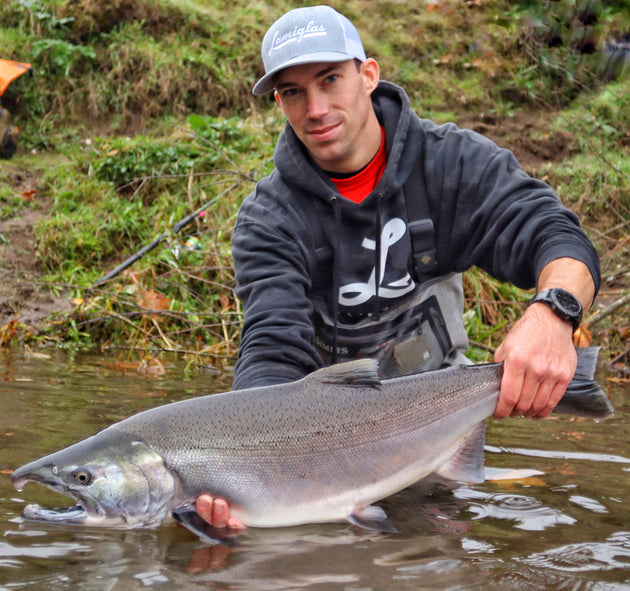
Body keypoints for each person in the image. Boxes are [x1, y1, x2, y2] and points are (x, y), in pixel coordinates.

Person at [196, 6, 600, 529]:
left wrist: (554, 314)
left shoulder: (451, 164)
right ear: (279, 101)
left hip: (435, 427)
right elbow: (272, 348)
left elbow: (557, 236)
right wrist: (243, 468)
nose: (315, 108)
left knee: (436, 555)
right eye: (293, 92)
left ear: (368, 75)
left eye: (330, 79)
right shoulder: (269, 219)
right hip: (319, 449)